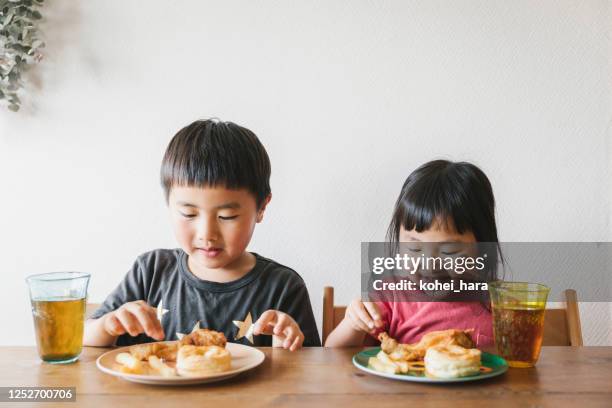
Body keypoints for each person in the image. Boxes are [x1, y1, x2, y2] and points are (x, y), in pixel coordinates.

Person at [84, 119, 321, 350]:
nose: (207, 234)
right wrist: (108, 325)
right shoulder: (151, 271)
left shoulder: (283, 287)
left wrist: (288, 346)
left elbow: (312, 374)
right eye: (188, 213)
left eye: (227, 216)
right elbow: (86, 336)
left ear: (261, 208)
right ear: (168, 204)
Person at [325, 160, 500, 348]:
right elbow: (332, 353)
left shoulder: (501, 304)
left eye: (449, 250)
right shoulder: (390, 297)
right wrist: (354, 323)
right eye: (415, 249)